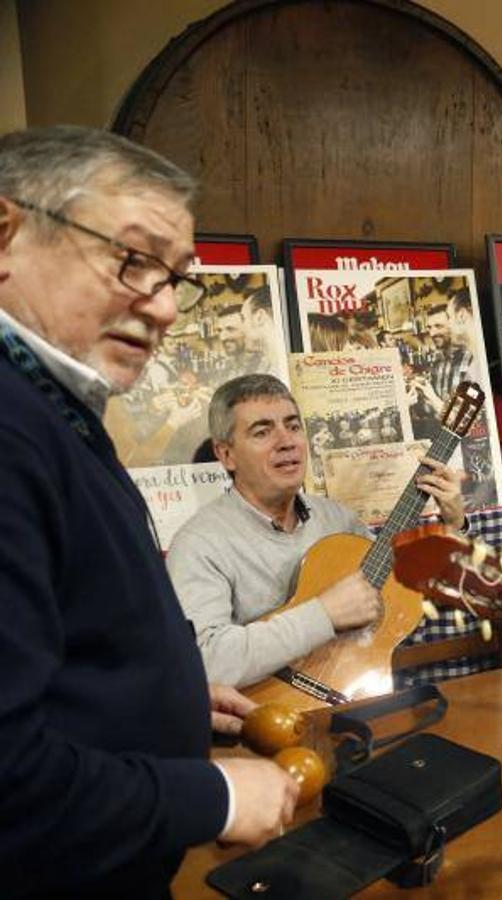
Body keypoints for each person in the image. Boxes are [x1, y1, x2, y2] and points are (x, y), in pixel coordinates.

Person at [0, 125, 296, 896]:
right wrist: (217, 796)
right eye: (133, 260)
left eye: (176, 278)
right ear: (5, 236)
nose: (163, 308)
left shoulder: (45, 407)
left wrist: (155, 692)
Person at [167, 374, 467, 688]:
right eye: (262, 432)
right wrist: (323, 614)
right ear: (226, 454)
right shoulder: (198, 545)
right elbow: (206, 663)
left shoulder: (336, 518)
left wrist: (453, 527)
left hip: (356, 700)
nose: (287, 442)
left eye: (293, 426)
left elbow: (403, 591)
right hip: (264, 721)